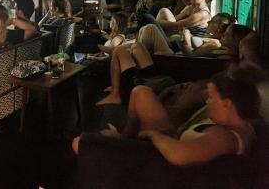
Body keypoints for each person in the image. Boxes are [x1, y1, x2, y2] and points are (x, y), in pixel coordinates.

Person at [80, 69, 261, 167]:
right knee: (141, 92)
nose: (208, 100)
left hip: (158, 158)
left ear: (228, 103)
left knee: (78, 142)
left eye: (212, 97)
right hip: (172, 139)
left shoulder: (224, 137)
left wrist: (153, 135)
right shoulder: (246, 124)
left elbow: (181, 155)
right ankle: (123, 137)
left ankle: (121, 140)